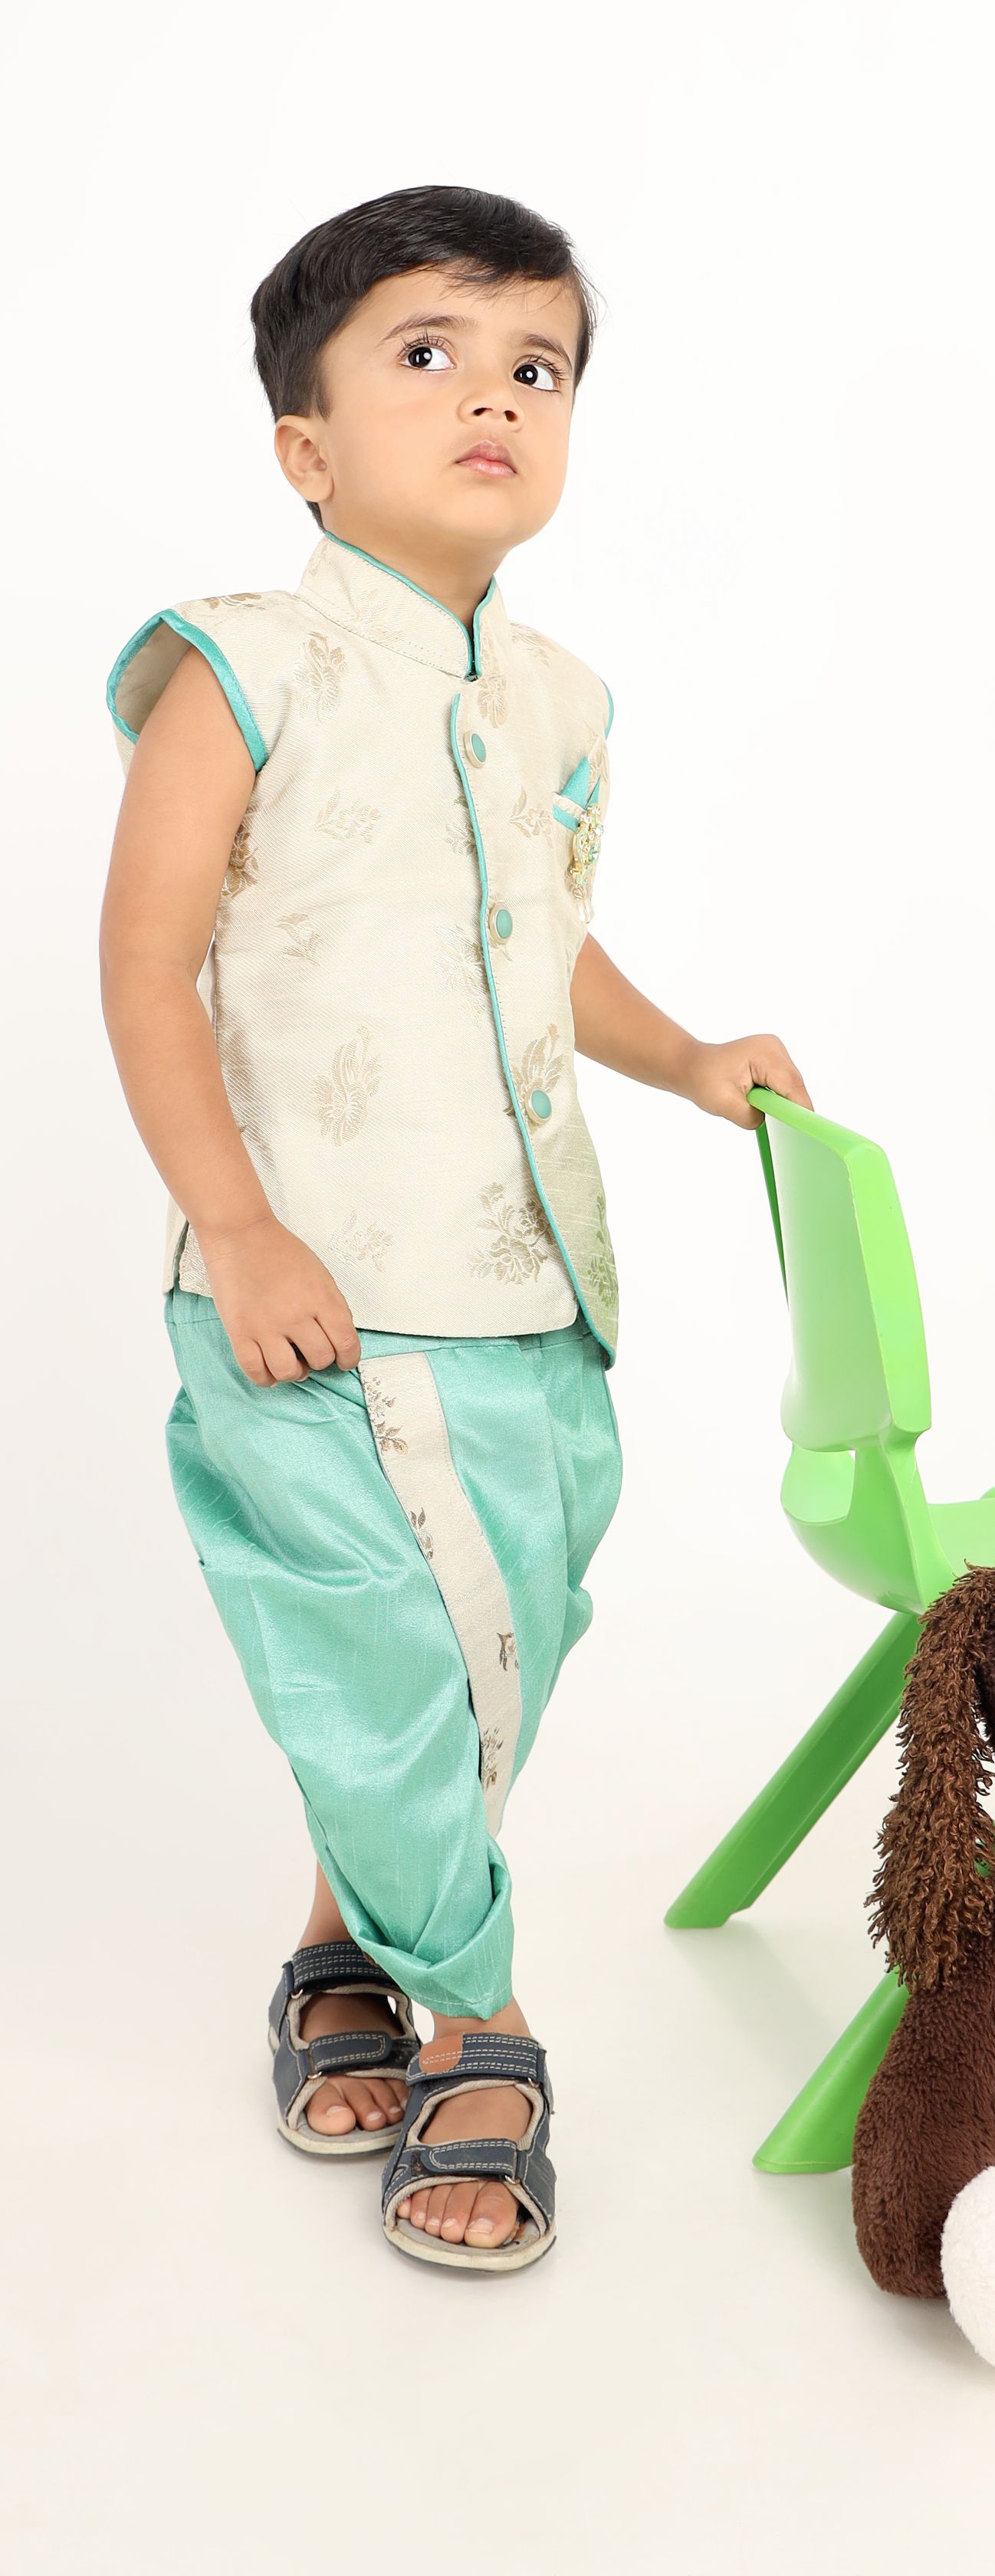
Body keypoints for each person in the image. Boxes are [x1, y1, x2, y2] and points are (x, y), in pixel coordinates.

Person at [98, 184, 809, 2272]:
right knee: (371, 1654)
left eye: (537, 366)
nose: (493, 395)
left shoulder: (564, 705)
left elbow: (540, 948)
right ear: (306, 445)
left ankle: (342, 1941)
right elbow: (146, 968)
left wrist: (685, 1058)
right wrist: (235, 1224)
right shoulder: (236, 667)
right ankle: (484, 2025)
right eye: (429, 353)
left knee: (495, 1660)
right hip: (308, 1282)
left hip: (528, 1284)